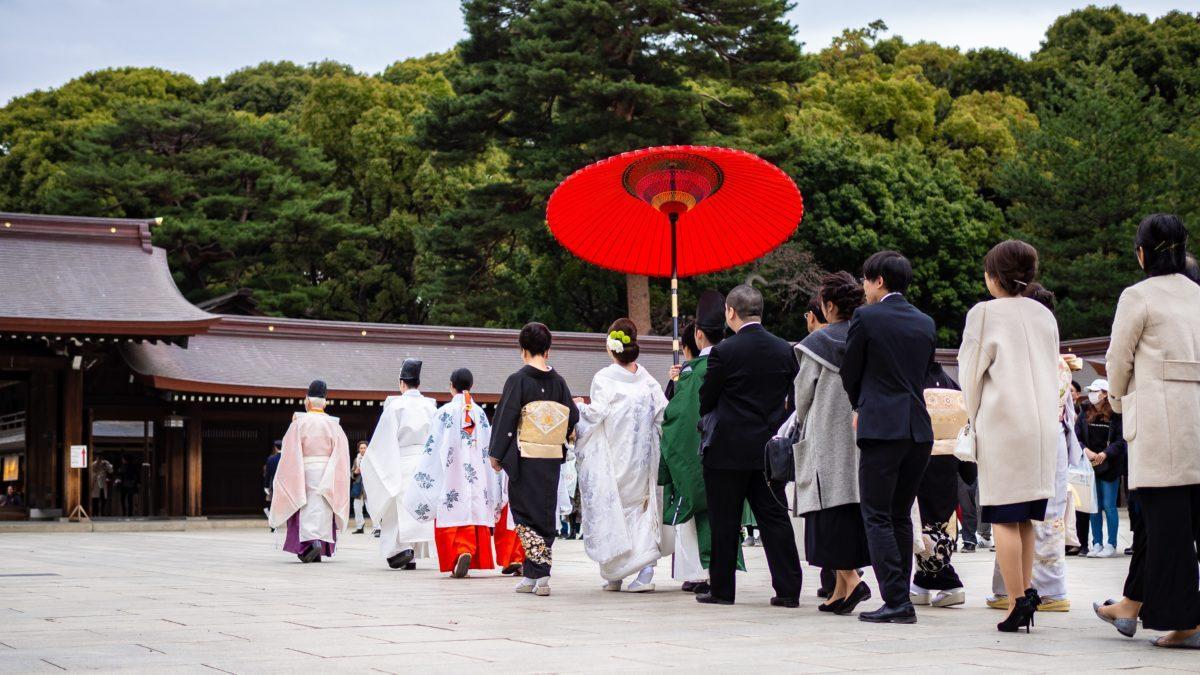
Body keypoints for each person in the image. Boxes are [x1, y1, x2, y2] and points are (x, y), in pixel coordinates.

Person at [1097, 213, 1200, 649]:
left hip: (1160, 422)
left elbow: (1117, 360)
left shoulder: (1137, 296)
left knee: (1166, 524)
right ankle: (1133, 602)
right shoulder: (1197, 293)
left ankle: (1186, 622)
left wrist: (1118, 400)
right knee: (1175, 521)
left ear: (1141, 252)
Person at [958, 239, 1060, 634]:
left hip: (1005, 423)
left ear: (994, 277)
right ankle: (1028, 591)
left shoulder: (984, 314)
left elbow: (971, 376)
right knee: (1026, 517)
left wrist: (973, 415)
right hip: (1041, 427)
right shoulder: (1044, 316)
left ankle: (1017, 601)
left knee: (1002, 514)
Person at [840, 251, 936, 624]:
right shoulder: (925, 322)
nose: (863, 288)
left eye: (865, 280)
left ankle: (896, 599)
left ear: (879, 280)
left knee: (876, 515)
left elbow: (851, 371)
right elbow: (924, 371)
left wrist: (860, 404)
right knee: (899, 514)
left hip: (881, 426)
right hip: (918, 428)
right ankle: (901, 598)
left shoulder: (866, 317)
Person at [696, 284, 802, 607]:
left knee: (724, 521)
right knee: (774, 519)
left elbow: (706, 399)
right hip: (768, 450)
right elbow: (795, 398)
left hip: (726, 448)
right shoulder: (784, 350)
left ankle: (722, 589)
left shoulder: (724, 352)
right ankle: (788, 589)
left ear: (730, 312)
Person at [988, 297, 1084, 614]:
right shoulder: (1055, 361)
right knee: (1034, 517)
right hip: (1049, 436)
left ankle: (1040, 590)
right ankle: (1020, 589)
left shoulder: (1033, 360)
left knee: (1017, 515)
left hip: (1024, 432)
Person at [790, 271, 872, 615]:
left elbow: (802, 396)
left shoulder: (817, 345)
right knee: (851, 505)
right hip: (858, 433)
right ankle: (839, 591)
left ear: (829, 305)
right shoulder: (865, 338)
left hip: (825, 435)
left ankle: (851, 581)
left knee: (827, 508)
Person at [575, 318, 669, 592]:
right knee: (640, 508)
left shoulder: (604, 378)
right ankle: (640, 571)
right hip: (641, 456)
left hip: (614, 454)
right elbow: (664, 412)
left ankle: (619, 571)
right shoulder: (646, 378)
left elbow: (595, 414)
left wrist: (578, 407)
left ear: (611, 347)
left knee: (613, 509)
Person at [488, 322, 580, 597]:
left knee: (524, 513)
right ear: (548, 350)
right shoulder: (559, 381)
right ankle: (532, 575)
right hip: (550, 458)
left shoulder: (519, 380)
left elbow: (506, 418)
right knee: (543, 512)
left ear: (523, 350)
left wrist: (496, 453)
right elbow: (572, 416)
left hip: (526, 458)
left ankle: (541, 575)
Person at [661, 292, 732, 594]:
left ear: (699, 335)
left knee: (699, 514)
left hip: (698, 450)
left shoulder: (694, 371)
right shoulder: (731, 360)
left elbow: (675, 416)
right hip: (731, 449)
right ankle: (720, 572)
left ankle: (707, 573)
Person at [405, 368, 501, 578]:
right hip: (475, 475)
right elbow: (488, 447)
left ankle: (459, 552)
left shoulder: (444, 412)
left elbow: (432, 446)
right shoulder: (481, 414)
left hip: (451, 472)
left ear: (451, 385)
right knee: (471, 507)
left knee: (450, 508)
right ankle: (468, 550)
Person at [362, 359, 437, 570]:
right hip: (424, 463)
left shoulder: (395, 406)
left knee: (396, 509)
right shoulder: (430, 407)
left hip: (401, 460)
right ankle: (411, 554)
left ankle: (401, 550)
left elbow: (383, 441)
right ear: (418, 383)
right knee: (416, 507)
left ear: (402, 383)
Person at [268, 380, 351, 563]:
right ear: (325, 402)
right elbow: (342, 453)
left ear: (307, 401)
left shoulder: (299, 423)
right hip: (328, 470)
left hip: (304, 469)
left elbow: (290, 451)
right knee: (324, 506)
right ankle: (320, 544)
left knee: (303, 504)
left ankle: (309, 545)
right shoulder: (334, 424)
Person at [911, 362, 971, 609]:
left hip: (921, 455)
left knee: (924, 520)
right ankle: (922, 582)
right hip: (949, 459)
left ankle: (949, 582)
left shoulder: (915, 380)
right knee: (941, 520)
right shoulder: (952, 384)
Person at [1076, 379, 1121, 557]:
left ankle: (1111, 544)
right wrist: (1086, 451)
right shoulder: (1085, 410)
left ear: (1105, 393)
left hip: (1110, 466)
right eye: (1092, 391)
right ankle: (1096, 543)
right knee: (1093, 506)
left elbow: (1121, 440)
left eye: (1097, 391)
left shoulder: (1117, 413)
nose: (1093, 394)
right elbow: (1076, 436)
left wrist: (1105, 453)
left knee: (1109, 506)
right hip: (1090, 466)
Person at [351, 441, 367, 534]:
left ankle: (378, 527)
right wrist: (355, 472)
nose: (363, 450)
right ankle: (360, 526)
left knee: (370, 507)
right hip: (358, 486)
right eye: (361, 448)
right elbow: (352, 473)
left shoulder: (371, 459)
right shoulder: (356, 460)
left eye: (364, 448)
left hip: (368, 486)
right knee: (356, 507)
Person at [263, 440, 282, 521]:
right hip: (285, 483)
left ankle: (273, 525)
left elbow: (268, 474)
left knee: (273, 502)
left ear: (275, 447)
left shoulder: (271, 459)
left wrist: (266, 486)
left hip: (274, 483)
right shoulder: (287, 457)